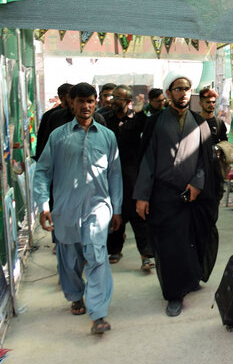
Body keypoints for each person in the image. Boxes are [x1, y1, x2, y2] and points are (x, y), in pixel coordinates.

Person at [33, 82, 122, 334]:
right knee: (69, 258)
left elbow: (115, 175)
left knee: (97, 255)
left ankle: (98, 313)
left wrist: (116, 208)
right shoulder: (58, 136)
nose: (86, 106)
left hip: (98, 207)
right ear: (72, 103)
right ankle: (74, 294)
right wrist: (43, 205)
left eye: (90, 101)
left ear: (96, 103)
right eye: (81, 101)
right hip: (65, 208)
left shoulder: (107, 136)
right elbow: (42, 172)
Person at [134, 71, 222, 317]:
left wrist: (197, 183)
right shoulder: (155, 123)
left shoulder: (200, 122)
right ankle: (174, 294)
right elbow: (147, 162)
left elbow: (206, 160)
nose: (183, 93)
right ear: (168, 93)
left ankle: (191, 279)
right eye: (178, 89)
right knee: (170, 245)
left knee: (193, 239)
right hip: (164, 195)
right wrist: (142, 196)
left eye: (187, 88)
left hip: (194, 194)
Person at [104, 84, 153, 271]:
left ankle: (146, 255)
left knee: (138, 214)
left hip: (132, 173)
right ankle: (115, 250)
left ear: (127, 102)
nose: (113, 101)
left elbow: (145, 127)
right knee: (115, 212)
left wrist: (140, 112)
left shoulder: (136, 119)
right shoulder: (104, 119)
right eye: (113, 97)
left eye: (118, 98)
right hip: (110, 173)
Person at [34, 83, 73, 161]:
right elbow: (42, 141)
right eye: (71, 96)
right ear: (62, 98)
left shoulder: (78, 115)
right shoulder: (50, 116)